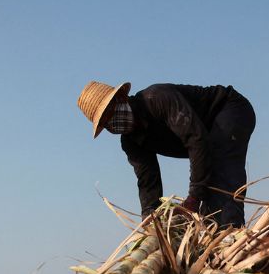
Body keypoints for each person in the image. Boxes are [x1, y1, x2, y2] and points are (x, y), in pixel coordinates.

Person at [77, 81, 256, 227]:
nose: (112, 121)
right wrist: (150, 220)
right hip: (204, 139)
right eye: (106, 122)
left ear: (122, 97)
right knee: (208, 197)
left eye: (111, 112)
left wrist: (192, 200)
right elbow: (147, 181)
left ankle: (228, 234)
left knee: (220, 180)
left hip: (229, 110)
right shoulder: (131, 141)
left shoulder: (157, 98)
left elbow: (197, 140)